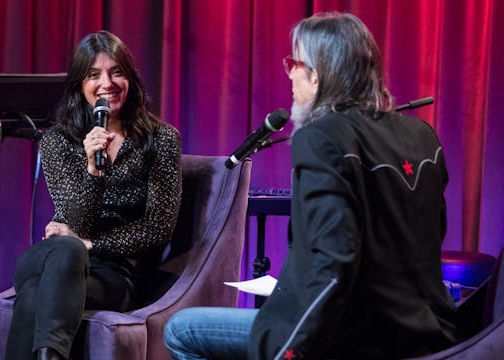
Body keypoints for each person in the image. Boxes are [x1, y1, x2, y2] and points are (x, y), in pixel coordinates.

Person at [164, 12, 461, 359]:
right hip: (427, 332)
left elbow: (333, 263)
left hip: (349, 335)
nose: (289, 73)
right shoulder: (422, 135)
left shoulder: (322, 138)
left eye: (295, 63)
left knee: (182, 329)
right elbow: (431, 235)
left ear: (317, 75)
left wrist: (290, 351)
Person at [5, 30, 182, 360]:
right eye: (94, 75)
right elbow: (75, 222)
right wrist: (93, 170)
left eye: (116, 72)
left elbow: (159, 228)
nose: (107, 83)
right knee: (65, 252)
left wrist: (91, 244)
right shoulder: (58, 142)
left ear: (130, 78)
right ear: (79, 86)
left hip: (116, 275)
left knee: (34, 293)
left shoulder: (161, 139)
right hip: (56, 259)